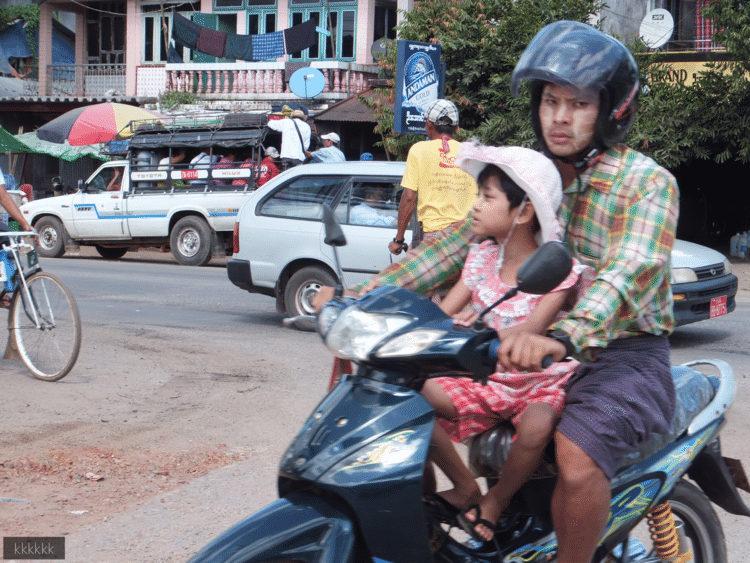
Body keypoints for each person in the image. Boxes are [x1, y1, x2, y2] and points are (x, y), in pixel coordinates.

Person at [344, 21, 679, 562]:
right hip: (528, 345)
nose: (560, 117)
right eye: (550, 101)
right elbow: (452, 247)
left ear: (611, 109)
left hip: (622, 352)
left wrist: (566, 333)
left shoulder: (645, 183)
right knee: (392, 387)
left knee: (575, 453)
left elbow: (629, 269)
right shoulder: (534, 176)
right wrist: (359, 300)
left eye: (579, 103)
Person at [420, 144, 588, 543]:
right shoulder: (480, 258)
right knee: (409, 391)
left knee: (537, 426)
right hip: (487, 378)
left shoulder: (557, 270)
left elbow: (528, 333)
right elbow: (442, 316)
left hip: (537, 380)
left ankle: (496, 499)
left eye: (487, 197)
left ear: (524, 211)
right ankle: (464, 488)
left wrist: (476, 333)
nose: (475, 206)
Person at [387, 99, 477, 256]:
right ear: (456, 127)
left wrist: (399, 240)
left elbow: (409, 198)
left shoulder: (419, 150)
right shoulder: (471, 152)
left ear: (428, 124)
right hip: (468, 237)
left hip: (433, 238)